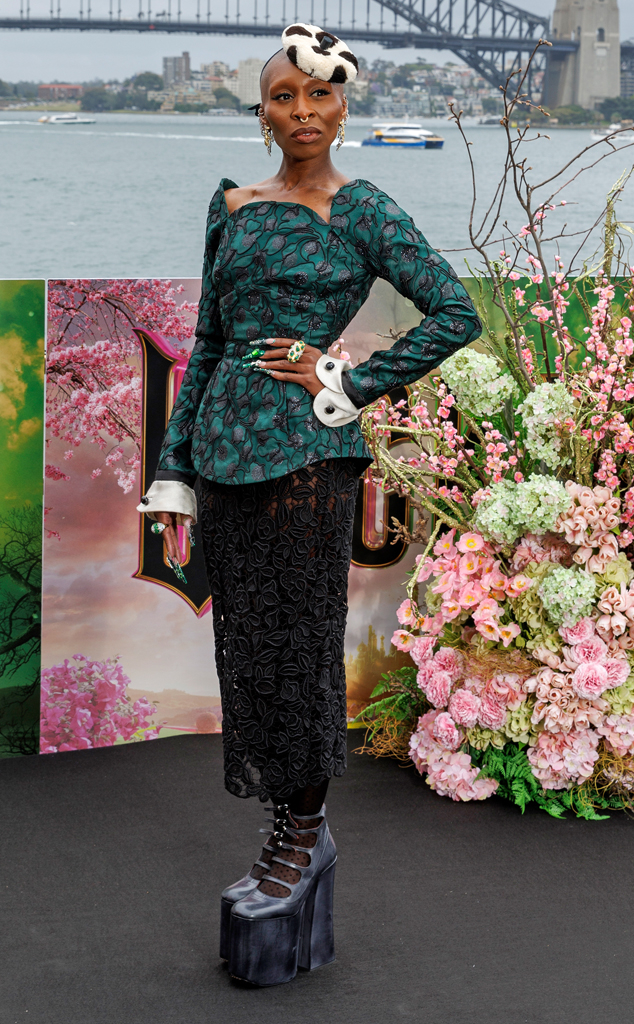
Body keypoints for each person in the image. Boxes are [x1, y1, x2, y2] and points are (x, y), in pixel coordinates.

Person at [137, 22, 482, 988]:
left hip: (305, 464)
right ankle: (284, 829)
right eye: (283, 97)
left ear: (344, 107)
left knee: (298, 649)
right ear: (261, 111)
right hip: (224, 464)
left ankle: (304, 838)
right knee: (247, 652)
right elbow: (206, 345)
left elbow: (456, 311)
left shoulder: (360, 209)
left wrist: (343, 377)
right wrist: (173, 472)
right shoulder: (234, 206)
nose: (302, 113)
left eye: (319, 96)